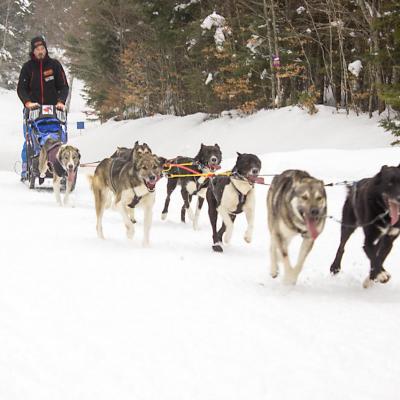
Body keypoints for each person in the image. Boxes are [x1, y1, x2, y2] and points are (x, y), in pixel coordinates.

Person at [17, 36, 69, 181]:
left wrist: (61, 101)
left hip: (53, 111)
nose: (40, 51)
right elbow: (21, 88)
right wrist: (27, 102)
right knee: (30, 139)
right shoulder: (27, 67)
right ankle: (26, 167)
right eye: (37, 49)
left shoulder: (55, 65)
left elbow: (64, 86)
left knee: (56, 136)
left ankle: (59, 163)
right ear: (33, 51)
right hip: (33, 110)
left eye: (42, 49)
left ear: (45, 49)